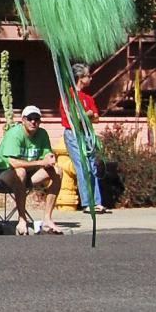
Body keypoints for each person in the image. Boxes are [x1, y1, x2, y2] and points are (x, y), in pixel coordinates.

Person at [0, 106, 62, 234]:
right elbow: (13, 162)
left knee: (58, 172)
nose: (33, 122)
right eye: (29, 118)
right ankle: (22, 219)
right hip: (1, 175)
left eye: (36, 119)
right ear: (23, 120)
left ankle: (47, 219)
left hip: (28, 175)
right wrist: (41, 162)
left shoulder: (42, 134)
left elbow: (46, 157)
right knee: (20, 171)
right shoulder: (15, 134)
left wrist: (50, 159)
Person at [59, 63, 104, 213]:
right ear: (80, 77)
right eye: (88, 75)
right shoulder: (69, 96)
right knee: (83, 166)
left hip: (87, 134)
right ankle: (87, 203)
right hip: (74, 134)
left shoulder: (88, 98)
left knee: (92, 167)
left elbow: (96, 117)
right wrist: (87, 114)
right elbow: (74, 117)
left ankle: (97, 202)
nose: (91, 78)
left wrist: (85, 115)